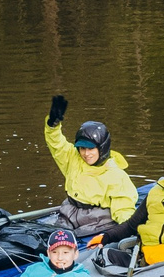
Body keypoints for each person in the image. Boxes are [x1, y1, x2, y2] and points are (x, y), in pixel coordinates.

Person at [43, 95, 137, 233]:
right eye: (82, 148)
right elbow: (56, 143)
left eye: (91, 148)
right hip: (69, 212)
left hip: (97, 220)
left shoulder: (116, 176)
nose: (86, 154)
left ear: (102, 147)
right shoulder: (72, 158)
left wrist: (129, 231)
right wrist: (53, 125)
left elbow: (124, 209)